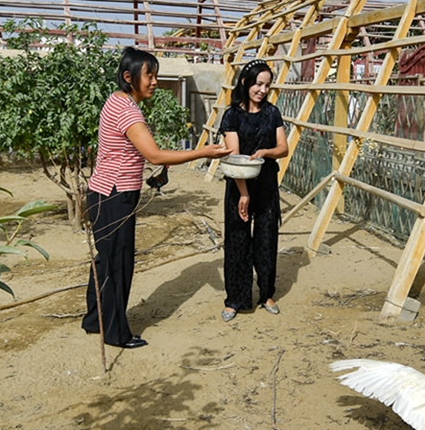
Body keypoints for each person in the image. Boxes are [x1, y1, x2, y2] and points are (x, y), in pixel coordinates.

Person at [83, 47, 231, 348]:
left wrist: (160, 164)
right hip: (114, 195)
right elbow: (152, 152)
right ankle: (115, 333)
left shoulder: (118, 100)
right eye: (149, 75)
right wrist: (204, 151)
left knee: (105, 261)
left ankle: (94, 319)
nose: (154, 81)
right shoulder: (127, 109)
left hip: (102, 192)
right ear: (129, 77)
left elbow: (141, 151)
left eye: (155, 75)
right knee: (118, 263)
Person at [220, 60, 289, 322]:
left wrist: (265, 152)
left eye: (267, 85)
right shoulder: (232, 115)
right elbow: (234, 156)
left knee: (266, 238)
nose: (263, 90)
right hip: (239, 184)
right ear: (245, 82)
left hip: (267, 184)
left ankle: (267, 293)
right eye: (258, 84)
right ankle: (235, 298)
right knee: (237, 240)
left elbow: (283, 148)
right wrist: (244, 194)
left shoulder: (273, 113)